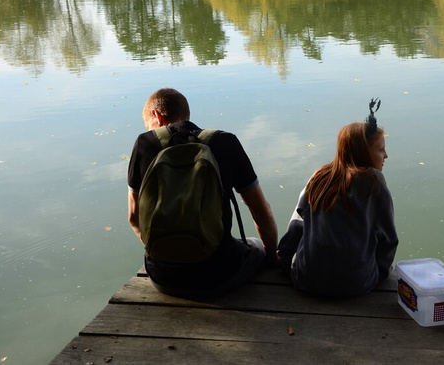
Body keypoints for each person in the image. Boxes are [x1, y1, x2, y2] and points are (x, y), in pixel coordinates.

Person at [127, 88, 278, 298]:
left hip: (162, 278)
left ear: (157, 116)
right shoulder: (225, 142)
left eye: (148, 125)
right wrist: (272, 260)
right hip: (218, 277)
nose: (150, 131)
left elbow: (134, 218)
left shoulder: (144, 144)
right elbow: (262, 212)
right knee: (255, 245)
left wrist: (167, 252)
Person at [277, 99, 398, 297]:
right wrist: (380, 274)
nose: (386, 155)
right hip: (358, 285)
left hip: (306, 280)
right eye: (380, 149)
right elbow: (388, 239)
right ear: (363, 153)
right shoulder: (374, 182)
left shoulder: (319, 177)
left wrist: (283, 261)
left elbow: (296, 226)